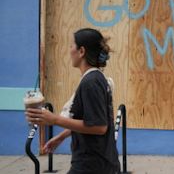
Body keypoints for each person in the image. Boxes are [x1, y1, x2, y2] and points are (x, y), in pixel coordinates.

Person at [25, 28, 120, 174]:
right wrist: (62, 136)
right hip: (99, 162)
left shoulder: (91, 82)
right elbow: (90, 119)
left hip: (92, 165)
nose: (69, 50)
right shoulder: (95, 78)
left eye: (71, 46)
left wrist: (54, 119)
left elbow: (100, 127)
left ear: (81, 51)